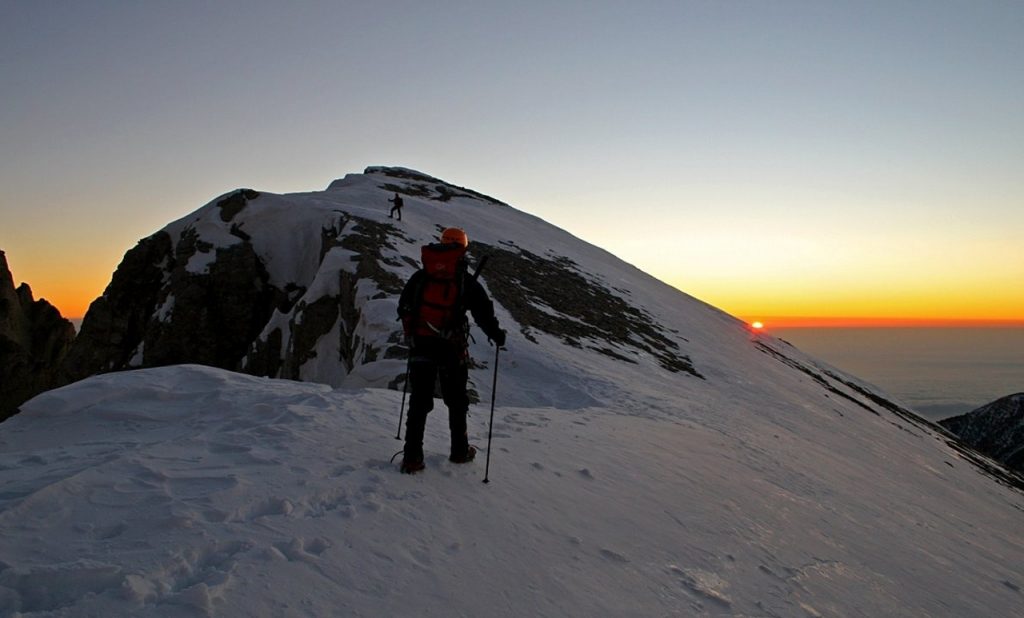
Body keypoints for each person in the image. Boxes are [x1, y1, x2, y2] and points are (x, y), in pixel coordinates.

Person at [397, 227, 506, 474]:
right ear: (462, 248)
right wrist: (497, 336)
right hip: (451, 349)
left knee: (419, 400)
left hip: (421, 345)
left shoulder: (421, 276)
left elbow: (403, 306)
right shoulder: (465, 281)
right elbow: (484, 314)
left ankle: (412, 458)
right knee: (456, 401)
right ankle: (459, 451)